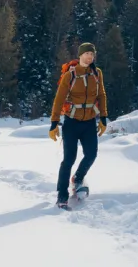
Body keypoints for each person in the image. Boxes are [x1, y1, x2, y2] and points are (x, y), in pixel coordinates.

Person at [49, 41, 109, 208]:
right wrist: (54, 122)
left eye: (92, 54)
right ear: (80, 55)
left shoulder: (97, 73)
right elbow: (59, 99)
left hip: (89, 122)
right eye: (87, 54)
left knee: (91, 154)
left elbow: (102, 95)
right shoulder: (70, 75)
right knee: (69, 159)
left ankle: (78, 177)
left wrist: (103, 118)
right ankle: (62, 195)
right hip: (71, 122)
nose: (90, 57)